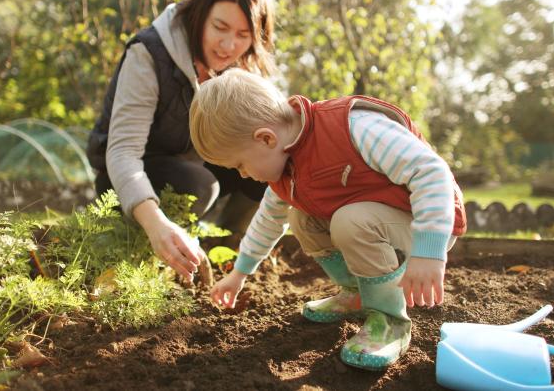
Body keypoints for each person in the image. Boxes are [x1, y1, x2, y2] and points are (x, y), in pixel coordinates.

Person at [188, 69, 467, 370]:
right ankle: (358, 294)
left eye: (240, 165)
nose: (243, 174)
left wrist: (429, 251)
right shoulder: (285, 168)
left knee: (351, 221)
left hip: (429, 221)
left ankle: (388, 321)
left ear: (266, 138)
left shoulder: (353, 127)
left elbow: (431, 173)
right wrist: (239, 274)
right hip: (376, 221)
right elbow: (267, 222)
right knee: (302, 220)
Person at [86, 0, 276, 283]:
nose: (229, 46)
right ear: (200, 14)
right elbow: (122, 154)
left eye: (243, 35)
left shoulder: (239, 67)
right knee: (199, 184)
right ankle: (155, 250)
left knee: (265, 165)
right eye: (220, 27)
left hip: (192, 165)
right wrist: (156, 224)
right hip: (126, 179)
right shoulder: (148, 55)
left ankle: (228, 252)